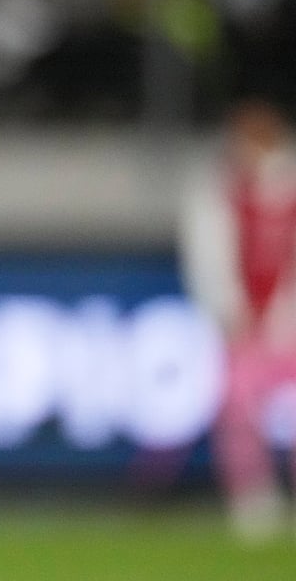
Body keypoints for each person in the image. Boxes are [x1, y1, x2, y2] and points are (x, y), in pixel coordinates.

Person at [178, 96, 296, 544]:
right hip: (242, 325)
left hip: (288, 323)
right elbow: (208, 256)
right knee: (239, 413)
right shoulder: (220, 191)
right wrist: (225, 307)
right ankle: (253, 498)